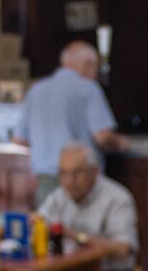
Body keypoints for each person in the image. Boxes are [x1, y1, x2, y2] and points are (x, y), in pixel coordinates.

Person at [37, 143, 139, 271]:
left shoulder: (117, 198)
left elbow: (124, 249)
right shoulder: (59, 196)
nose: (69, 181)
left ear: (94, 171)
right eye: (63, 173)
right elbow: (40, 220)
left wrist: (76, 236)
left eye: (77, 173)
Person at [19, 41, 123, 205]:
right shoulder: (88, 88)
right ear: (87, 65)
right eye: (94, 66)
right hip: (82, 181)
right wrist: (123, 143)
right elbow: (103, 137)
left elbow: (19, 139)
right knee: (81, 230)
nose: (95, 72)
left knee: (49, 229)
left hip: (45, 182)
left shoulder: (36, 90)